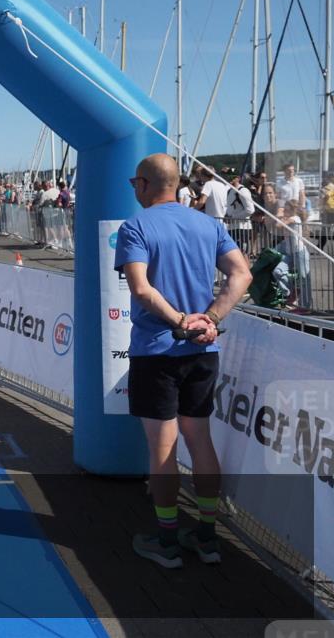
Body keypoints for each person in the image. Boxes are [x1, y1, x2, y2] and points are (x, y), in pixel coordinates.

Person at [115, 153, 251, 569]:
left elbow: (140, 289)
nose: (133, 190)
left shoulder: (136, 226)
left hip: (159, 351)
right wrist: (209, 319)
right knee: (200, 440)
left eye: (134, 183)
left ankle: (168, 540)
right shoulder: (208, 224)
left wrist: (181, 322)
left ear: (143, 184)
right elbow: (241, 274)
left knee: (162, 449)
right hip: (202, 351)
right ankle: (207, 537)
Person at [225, 175, 254, 254]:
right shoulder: (230, 191)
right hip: (232, 228)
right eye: (227, 176)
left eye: (232, 177)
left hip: (242, 228)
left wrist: (233, 217)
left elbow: (250, 210)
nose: (229, 178)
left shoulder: (243, 191)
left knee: (243, 254)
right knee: (233, 254)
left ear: (238, 178)